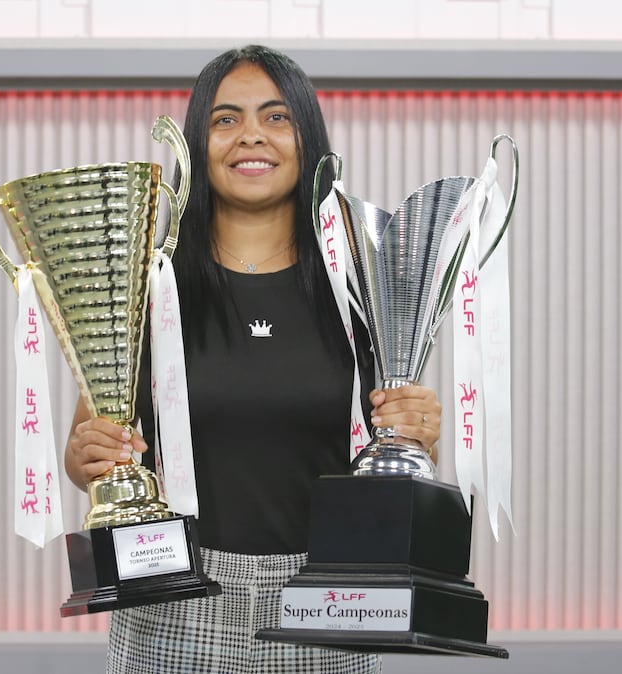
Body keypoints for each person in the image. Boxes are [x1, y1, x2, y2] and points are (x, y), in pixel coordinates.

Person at [63, 44, 443, 674]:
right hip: (175, 603)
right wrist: (86, 457)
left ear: (308, 138)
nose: (250, 137)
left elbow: (401, 453)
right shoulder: (145, 285)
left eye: (276, 117)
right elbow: (90, 455)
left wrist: (422, 435)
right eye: (225, 119)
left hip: (326, 602)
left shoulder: (358, 287)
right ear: (195, 143)